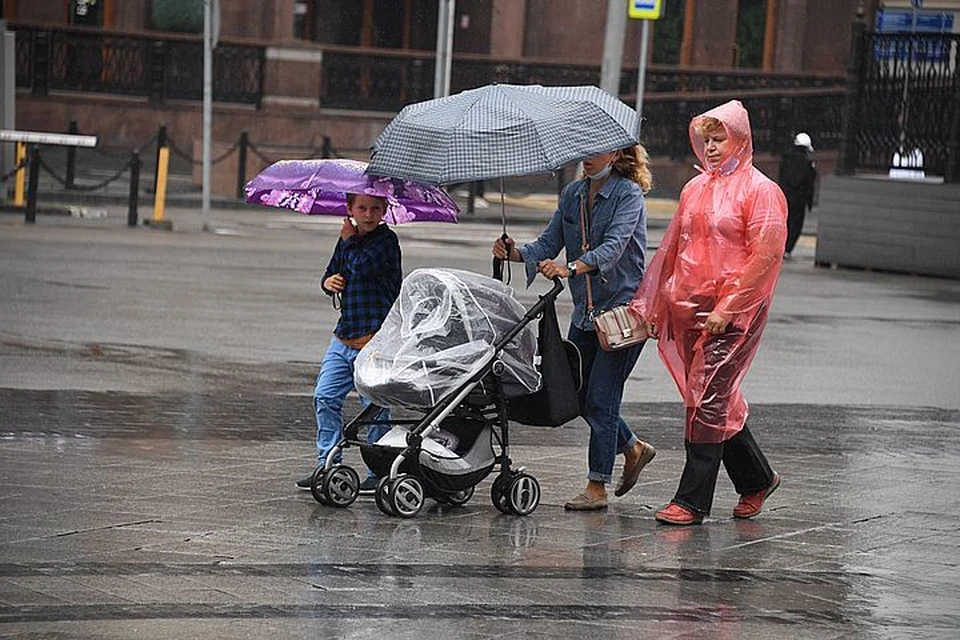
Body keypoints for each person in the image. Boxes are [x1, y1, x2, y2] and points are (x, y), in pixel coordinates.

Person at [629, 100, 787, 526]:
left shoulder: (761, 191)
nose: (712, 147)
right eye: (707, 139)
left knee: (708, 397)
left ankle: (692, 499)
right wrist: (658, 303)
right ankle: (757, 478)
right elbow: (674, 249)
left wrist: (729, 307)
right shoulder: (695, 189)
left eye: (720, 139)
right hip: (688, 307)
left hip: (733, 314)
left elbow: (764, 258)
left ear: (741, 139)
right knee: (709, 397)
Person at [492, 145, 657, 511]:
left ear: (615, 155)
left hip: (621, 315)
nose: (588, 157)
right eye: (586, 151)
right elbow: (550, 242)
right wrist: (515, 252)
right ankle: (632, 447)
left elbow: (614, 248)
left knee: (602, 398)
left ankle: (597, 485)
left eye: (598, 151)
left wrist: (571, 268)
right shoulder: (573, 194)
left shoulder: (628, 195)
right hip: (585, 314)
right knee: (578, 394)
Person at [296, 193, 402, 494]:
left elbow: (361, 267)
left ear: (384, 211)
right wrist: (327, 282)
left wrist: (348, 240)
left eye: (375, 209)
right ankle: (328, 463)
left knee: (375, 409)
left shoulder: (386, 241)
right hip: (344, 336)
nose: (368, 214)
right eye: (362, 208)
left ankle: (377, 470)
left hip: (375, 340)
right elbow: (335, 271)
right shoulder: (348, 240)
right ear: (350, 209)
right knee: (325, 397)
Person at [778, 132, 817, 259]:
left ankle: (779, 248)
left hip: (785, 197)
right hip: (799, 200)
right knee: (795, 225)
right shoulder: (807, 164)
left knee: (784, 223)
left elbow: (782, 178)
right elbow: (809, 184)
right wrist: (809, 202)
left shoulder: (785, 160)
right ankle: (787, 250)